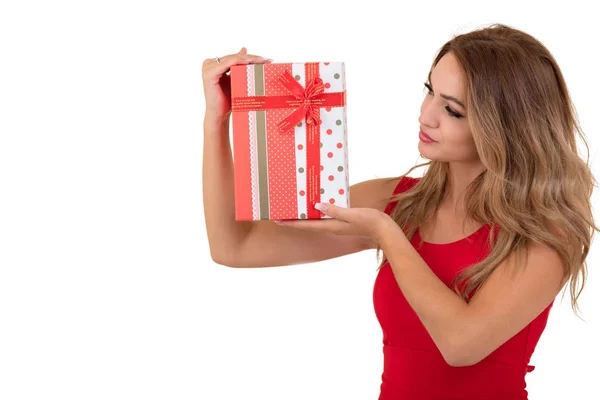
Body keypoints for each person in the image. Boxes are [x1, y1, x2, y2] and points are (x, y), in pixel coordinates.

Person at [201, 23, 597, 399]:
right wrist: (216, 122)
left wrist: (387, 235)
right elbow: (236, 247)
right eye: (430, 91)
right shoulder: (402, 201)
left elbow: (461, 345)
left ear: (507, 128)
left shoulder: (546, 230)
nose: (426, 115)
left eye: (453, 110)